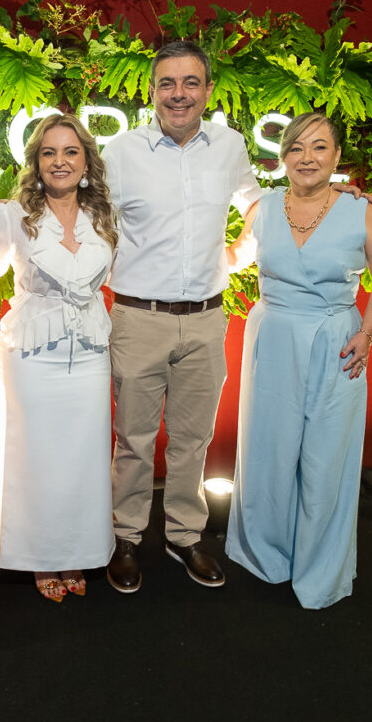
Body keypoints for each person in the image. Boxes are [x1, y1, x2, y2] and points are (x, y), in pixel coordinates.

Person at [102, 40, 264, 592]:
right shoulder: (121, 151)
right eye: (167, 83)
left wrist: (241, 253)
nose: (179, 94)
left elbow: (256, 203)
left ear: (208, 90)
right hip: (138, 317)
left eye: (190, 82)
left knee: (193, 437)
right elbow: (92, 218)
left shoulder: (230, 146)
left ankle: (184, 535)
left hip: (206, 320)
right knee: (134, 438)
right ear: (152, 92)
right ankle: (125, 536)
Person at [224, 112, 372, 608]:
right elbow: (233, 257)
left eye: (319, 147)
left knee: (327, 458)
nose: (307, 157)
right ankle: (266, 556)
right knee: (267, 452)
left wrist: (367, 333)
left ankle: (320, 570)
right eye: (296, 147)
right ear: (282, 157)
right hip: (272, 339)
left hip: (336, 341)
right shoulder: (263, 209)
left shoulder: (360, 211)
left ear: (336, 156)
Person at [0, 114, 117, 601]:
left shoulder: (104, 216)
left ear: (86, 162)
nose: (59, 161)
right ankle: (40, 557)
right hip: (31, 353)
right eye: (49, 152)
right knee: (35, 457)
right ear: (36, 162)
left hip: (90, 353)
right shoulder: (13, 216)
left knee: (84, 457)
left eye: (70, 152)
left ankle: (74, 550)